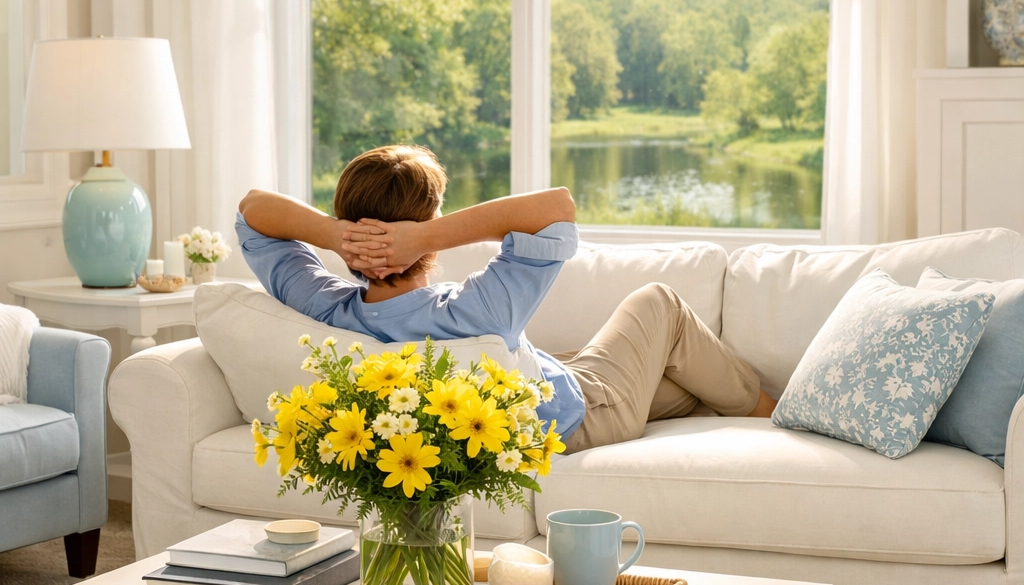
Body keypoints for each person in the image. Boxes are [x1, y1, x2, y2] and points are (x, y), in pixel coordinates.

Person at [237, 144, 775, 455]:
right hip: (585, 415)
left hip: (547, 381)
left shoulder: (326, 308)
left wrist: (338, 238)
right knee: (659, 303)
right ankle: (774, 417)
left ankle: (722, 405)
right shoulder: (477, 312)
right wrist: (423, 238)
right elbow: (556, 206)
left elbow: (253, 210)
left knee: (680, 383)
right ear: (431, 221)